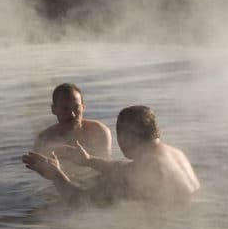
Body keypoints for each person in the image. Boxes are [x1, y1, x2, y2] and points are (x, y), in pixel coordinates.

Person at [23, 105, 200, 205]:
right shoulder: (175, 154)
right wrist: (89, 161)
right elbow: (124, 168)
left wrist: (56, 175)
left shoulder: (142, 169)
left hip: (170, 228)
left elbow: (80, 201)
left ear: (126, 136)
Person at [33, 83, 113, 158]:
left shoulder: (98, 131)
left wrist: (87, 160)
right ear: (54, 110)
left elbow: (107, 169)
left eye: (76, 107)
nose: (72, 114)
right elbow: (44, 171)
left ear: (83, 107)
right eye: (65, 109)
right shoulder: (44, 140)